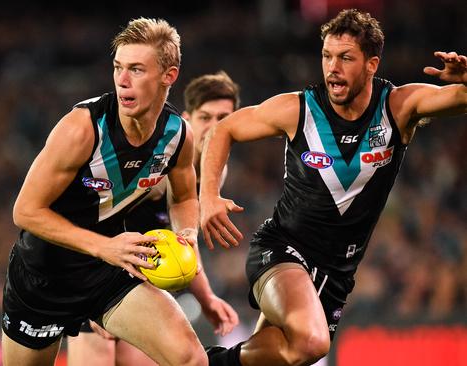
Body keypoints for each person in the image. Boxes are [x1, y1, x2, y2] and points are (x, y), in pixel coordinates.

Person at [199, 9, 467, 366]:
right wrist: (208, 197)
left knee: (288, 354)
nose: (332, 68)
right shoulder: (299, 109)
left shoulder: (399, 106)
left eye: (345, 58)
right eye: (326, 56)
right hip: (282, 251)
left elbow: (461, 99)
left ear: (372, 64)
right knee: (312, 343)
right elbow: (223, 130)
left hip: (337, 274)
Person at [2, 18, 208, 366]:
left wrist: (187, 232)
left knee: (191, 358)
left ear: (168, 76)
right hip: (43, 276)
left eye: (137, 69)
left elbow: (186, 197)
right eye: (118, 67)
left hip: (109, 268)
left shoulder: (178, 135)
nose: (122, 80)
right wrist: (104, 246)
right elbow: (25, 211)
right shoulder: (81, 129)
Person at [66, 71, 242, 366]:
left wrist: (207, 298)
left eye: (223, 118)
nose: (214, 128)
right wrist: (87, 296)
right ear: (188, 119)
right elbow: (94, 219)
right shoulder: (162, 167)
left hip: (142, 287)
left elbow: (183, 240)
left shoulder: (214, 173)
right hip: (98, 274)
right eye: (205, 118)